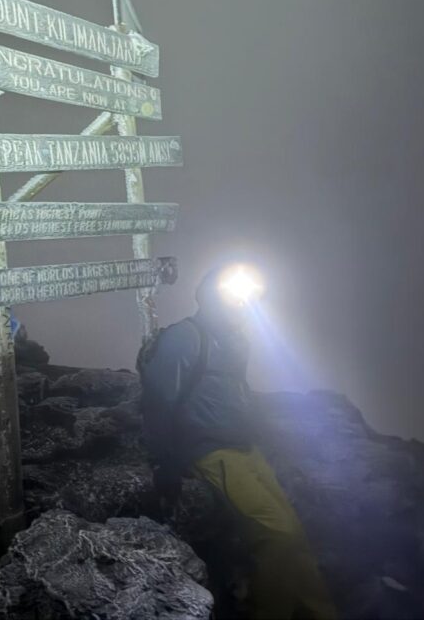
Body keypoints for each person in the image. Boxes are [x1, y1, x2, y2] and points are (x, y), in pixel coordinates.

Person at [139, 265, 337, 620]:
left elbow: (236, 392)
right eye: (233, 297)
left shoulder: (235, 340)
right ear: (212, 298)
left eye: (247, 298)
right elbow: (160, 398)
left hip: (245, 446)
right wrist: (164, 461)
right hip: (212, 449)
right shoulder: (186, 336)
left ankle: (319, 612)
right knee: (278, 533)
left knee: (296, 535)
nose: (242, 305)